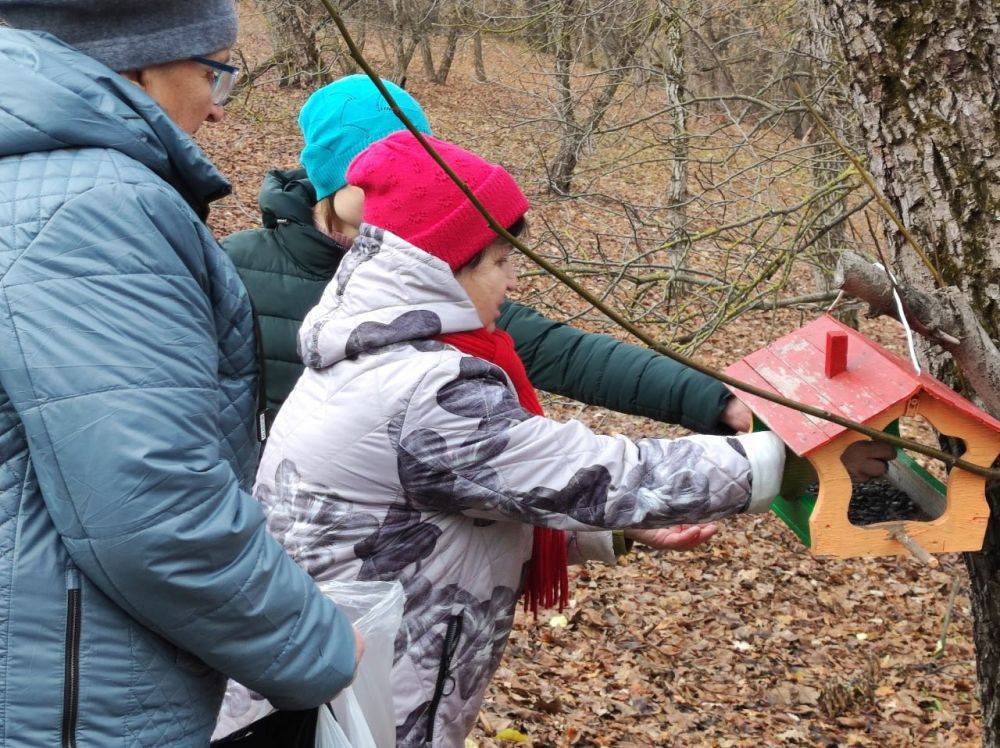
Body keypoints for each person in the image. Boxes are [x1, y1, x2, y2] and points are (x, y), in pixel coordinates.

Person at [251, 131, 894, 746]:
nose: (511, 282)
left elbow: (429, 519)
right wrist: (791, 456)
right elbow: (598, 471)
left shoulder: (369, 350)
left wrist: (605, 532)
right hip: (356, 711)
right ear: (440, 268)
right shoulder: (423, 388)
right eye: (499, 261)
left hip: (347, 687)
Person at [0, 4, 360, 746]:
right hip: (74, 698)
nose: (219, 109)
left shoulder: (29, 185)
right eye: (211, 71)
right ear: (135, 64)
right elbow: (152, 505)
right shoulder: (96, 207)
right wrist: (313, 643)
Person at [222, 74, 753, 441]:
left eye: (418, 161)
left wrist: (713, 399)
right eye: (375, 166)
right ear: (331, 179)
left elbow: (558, 352)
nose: (401, 178)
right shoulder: (234, 267)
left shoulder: (436, 266)